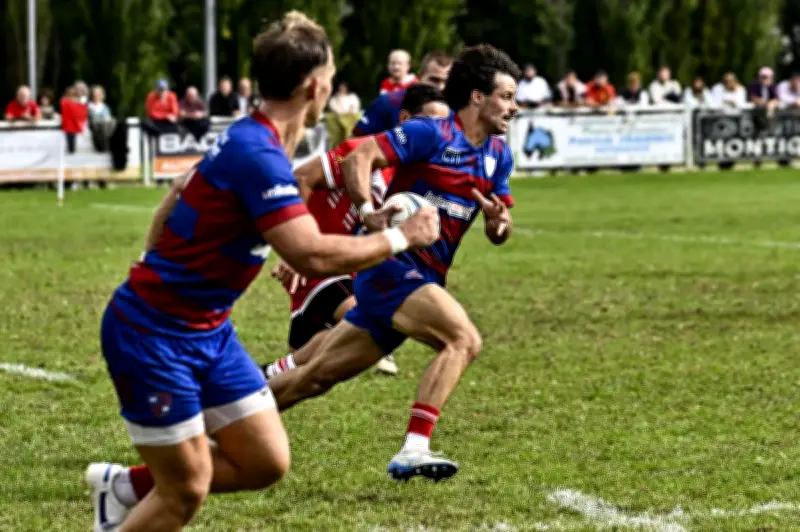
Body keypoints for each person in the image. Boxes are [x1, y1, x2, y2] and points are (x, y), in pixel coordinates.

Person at [84, 11, 439, 532]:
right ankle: (126, 501)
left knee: (265, 460)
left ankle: (121, 488)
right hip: (154, 334)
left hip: (209, 332)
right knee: (186, 489)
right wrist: (399, 239)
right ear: (315, 87)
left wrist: (365, 218)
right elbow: (310, 256)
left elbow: (179, 195)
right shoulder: (257, 153)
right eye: (332, 76)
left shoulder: (252, 139)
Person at [267, 44, 519, 482]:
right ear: (478, 96)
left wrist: (499, 224)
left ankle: (218, 419)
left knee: (314, 378)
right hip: (391, 269)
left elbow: (501, 229)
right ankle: (414, 448)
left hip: (421, 278)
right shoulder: (431, 134)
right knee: (463, 340)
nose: (514, 108)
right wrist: (367, 210)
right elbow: (361, 157)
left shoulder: (498, 155)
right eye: (507, 96)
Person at [263, 84, 450, 380]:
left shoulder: (412, 176)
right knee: (366, 317)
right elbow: (302, 177)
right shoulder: (360, 153)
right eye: (430, 122)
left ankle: (269, 373)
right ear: (404, 120)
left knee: (322, 354)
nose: (438, 132)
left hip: (349, 271)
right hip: (317, 261)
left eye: (444, 124)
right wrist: (293, 248)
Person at [353, 51, 452, 137]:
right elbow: (354, 143)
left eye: (447, 82)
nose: (441, 87)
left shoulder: (455, 112)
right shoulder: (389, 102)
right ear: (420, 76)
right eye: (434, 80)